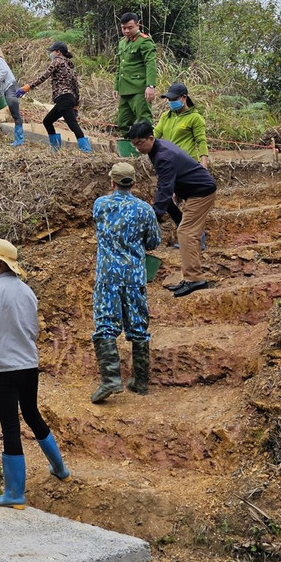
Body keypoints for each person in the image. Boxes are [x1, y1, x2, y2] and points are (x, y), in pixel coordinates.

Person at [0, 240, 69, 508]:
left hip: (3, 367)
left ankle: (14, 493)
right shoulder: (27, 291)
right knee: (32, 414)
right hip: (28, 364)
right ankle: (60, 468)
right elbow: (32, 329)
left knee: (10, 425)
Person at [90, 163, 161, 400]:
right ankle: (140, 381)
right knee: (138, 327)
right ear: (133, 183)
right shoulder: (145, 210)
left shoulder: (100, 205)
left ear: (112, 182)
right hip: (134, 276)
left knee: (105, 324)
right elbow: (153, 242)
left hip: (108, 275)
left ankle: (110, 380)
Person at [127, 120, 217, 297]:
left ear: (150, 138)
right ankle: (190, 277)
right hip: (191, 190)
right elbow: (167, 184)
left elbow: (166, 187)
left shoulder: (163, 156)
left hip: (201, 192)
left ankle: (195, 279)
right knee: (171, 209)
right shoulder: (157, 148)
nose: (137, 148)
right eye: (134, 145)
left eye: (139, 143)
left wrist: (153, 216)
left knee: (186, 233)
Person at [18, 41, 91, 152]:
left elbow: (44, 77)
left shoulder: (57, 61)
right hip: (69, 98)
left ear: (58, 52)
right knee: (48, 121)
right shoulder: (70, 65)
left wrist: (28, 87)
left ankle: (85, 149)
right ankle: (56, 149)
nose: (50, 53)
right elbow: (76, 86)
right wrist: (76, 104)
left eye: (52, 51)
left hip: (63, 98)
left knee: (72, 124)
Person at [116, 14, 158, 136]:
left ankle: (148, 148)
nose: (126, 31)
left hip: (139, 88)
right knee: (123, 123)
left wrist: (151, 86)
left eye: (130, 27)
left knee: (143, 120)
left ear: (137, 25)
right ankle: (130, 148)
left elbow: (150, 64)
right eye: (123, 28)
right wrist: (116, 86)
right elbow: (120, 65)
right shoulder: (122, 43)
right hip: (125, 88)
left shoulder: (144, 41)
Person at [153, 82, 209, 170]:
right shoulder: (166, 116)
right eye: (169, 99)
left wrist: (204, 162)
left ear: (184, 98)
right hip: (169, 161)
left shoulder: (195, 118)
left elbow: (201, 140)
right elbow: (156, 133)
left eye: (174, 99)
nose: (171, 102)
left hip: (187, 162)